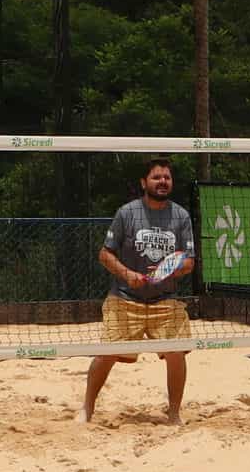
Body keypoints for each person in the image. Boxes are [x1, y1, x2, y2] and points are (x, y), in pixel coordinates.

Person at [82, 159, 197, 425]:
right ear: (144, 183)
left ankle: (174, 413)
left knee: (176, 352)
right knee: (106, 354)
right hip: (124, 298)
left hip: (165, 300)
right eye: (156, 177)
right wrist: (127, 274)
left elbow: (189, 262)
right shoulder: (127, 213)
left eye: (167, 177)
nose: (163, 181)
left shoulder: (181, 216)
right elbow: (104, 254)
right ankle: (87, 408)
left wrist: (168, 271)